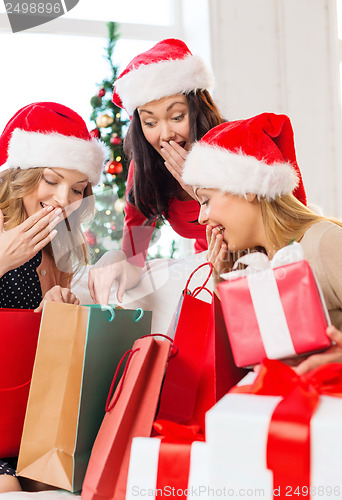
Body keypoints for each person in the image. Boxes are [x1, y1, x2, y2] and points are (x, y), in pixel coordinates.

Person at [182, 112, 342, 374]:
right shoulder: (254, 267)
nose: (201, 218)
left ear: (248, 188)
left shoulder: (324, 243)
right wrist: (222, 281)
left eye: (206, 200)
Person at [0, 101, 106, 491]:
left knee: (51, 485)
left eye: (77, 189)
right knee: (9, 490)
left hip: (23, 415)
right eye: (50, 179)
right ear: (21, 174)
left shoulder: (59, 242)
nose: (64, 199)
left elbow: (39, 340)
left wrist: (56, 307)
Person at [88, 38, 227, 305]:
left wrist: (200, 190)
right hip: (207, 275)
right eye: (150, 122)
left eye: (177, 117)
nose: (165, 135)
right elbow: (134, 257)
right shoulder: (147, 168)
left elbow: (265, 232)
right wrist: (113, 259)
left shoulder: (232, 147)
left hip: (254, 268)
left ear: (197, 111)